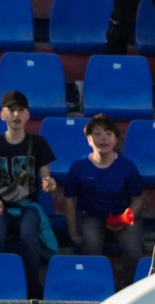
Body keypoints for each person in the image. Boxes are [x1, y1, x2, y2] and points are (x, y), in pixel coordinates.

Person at [0, 91, 58, 297]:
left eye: (21, 110)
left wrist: (50, 184)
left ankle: (31, 292)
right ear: (3, 115)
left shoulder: (38, 144)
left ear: (28, 115)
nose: (16, 114)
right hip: (0, 204)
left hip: (28, 205)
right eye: (11, 110)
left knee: (29, 234)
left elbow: (47, 180)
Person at [55, 118, 146, 290]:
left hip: (123, 215)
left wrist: (125, 219)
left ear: (115, 139)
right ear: (89, 139)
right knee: (89, 242)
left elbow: (138, 199)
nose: (103, 138)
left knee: (132, 246)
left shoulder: (127, 166)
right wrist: (74, 232)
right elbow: (68, 199)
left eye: (108, 134)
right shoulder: (79, 166)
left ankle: (129, 287)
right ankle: (95, 286)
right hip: (93, 217)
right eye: (97, 134)